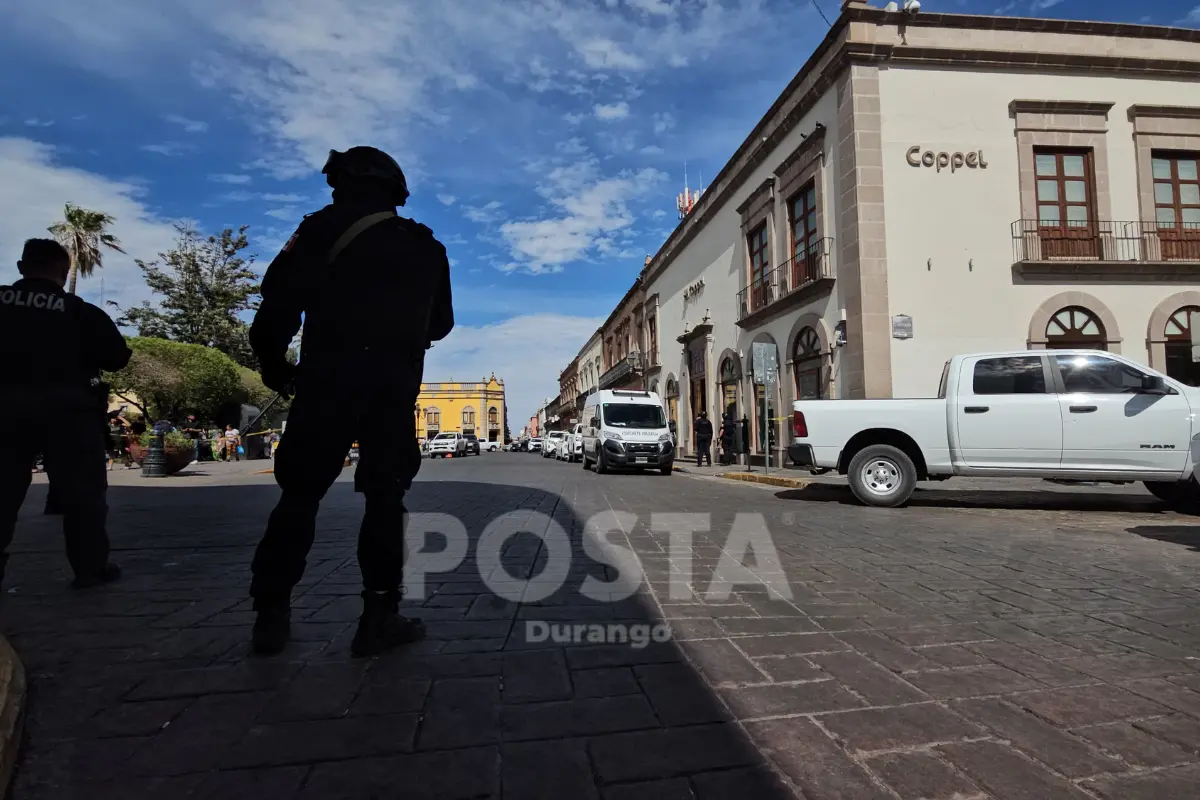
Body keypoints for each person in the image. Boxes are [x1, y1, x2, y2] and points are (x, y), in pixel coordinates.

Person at [247, 145, 454, 657]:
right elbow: (442, 324)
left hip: (325, 380)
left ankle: (270, 613)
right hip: (390, 385)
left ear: (342, 185)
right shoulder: (425, 246)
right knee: (386, 499)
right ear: (395, 191)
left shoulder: (317, 230)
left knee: (299, 496)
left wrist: (276, 367)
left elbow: (277, 306)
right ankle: (378, 615)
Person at [0, 239, 131, 589]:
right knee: (83, 496)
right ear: (63, 272)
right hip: (68, 413)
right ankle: (89, 568)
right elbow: (117, 357)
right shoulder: (80, 312)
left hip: (5, 411)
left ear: (20, 268)